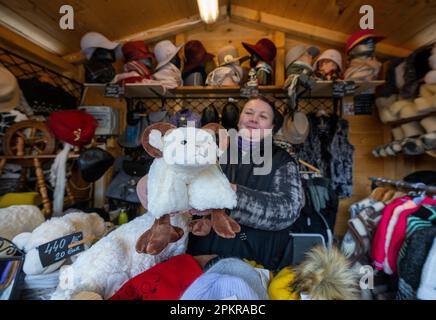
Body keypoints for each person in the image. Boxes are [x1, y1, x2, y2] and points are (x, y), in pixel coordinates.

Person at [188, 95, 305, 270]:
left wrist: (232, 194)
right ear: (239, 119)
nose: (253, 119)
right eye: (249, 112)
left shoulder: (282, 161)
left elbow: (288, 209)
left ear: (272, 127)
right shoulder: (212, 150)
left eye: (263, 116)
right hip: (201, 256)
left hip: (251, 259)